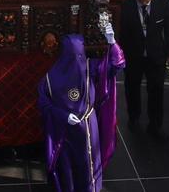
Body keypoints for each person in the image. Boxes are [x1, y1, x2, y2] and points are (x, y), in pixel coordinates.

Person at [37, 25, 125, 192]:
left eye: (80, 53)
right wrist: (64, 116)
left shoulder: (89, 68)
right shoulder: (50, 79)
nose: (78, 58)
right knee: (67, 166)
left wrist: (112, 42)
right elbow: (43, 104)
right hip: (65, 131)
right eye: (75, 54)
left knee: (87, 162)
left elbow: (117, 65)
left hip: (87, 126)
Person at [118, 0, 169, 141]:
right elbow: (121, 31)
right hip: (133, 54)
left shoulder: (162, 3)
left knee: (156, 91)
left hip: (155, 54)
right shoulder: (126, 5)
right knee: (132, 87)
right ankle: (134, 118)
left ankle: (155, 125)